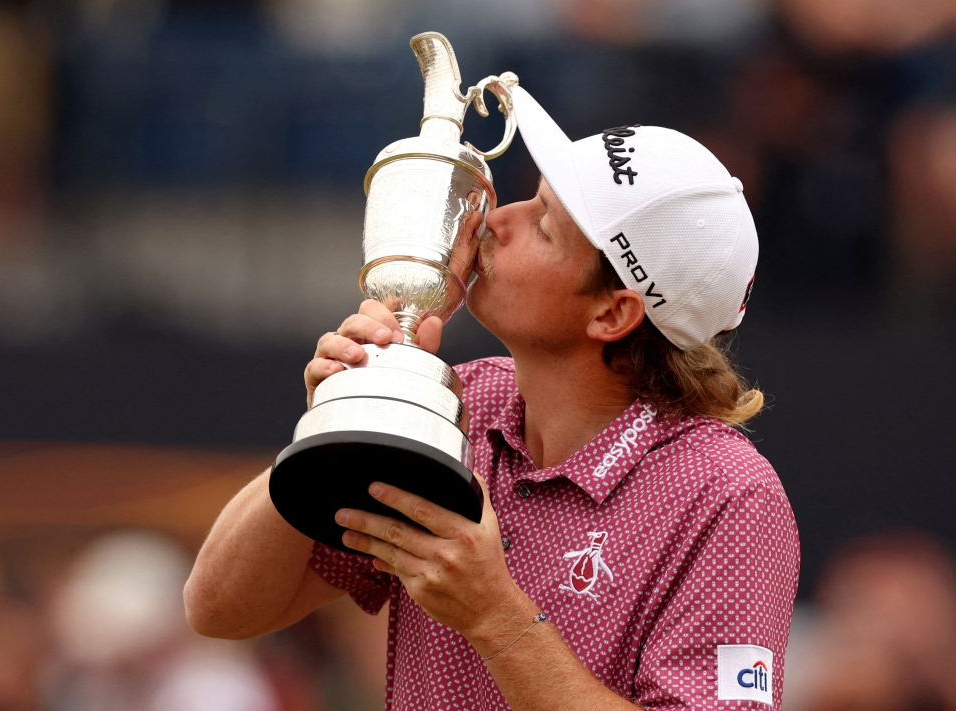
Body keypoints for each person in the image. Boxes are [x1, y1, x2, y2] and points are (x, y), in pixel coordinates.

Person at [184, 87, 800, 710]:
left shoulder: (726, 495)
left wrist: (497, 620)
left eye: (544, 225)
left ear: (612, 313)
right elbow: (218, 608)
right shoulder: (462, 398)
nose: (497, 221)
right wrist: (339, 413)